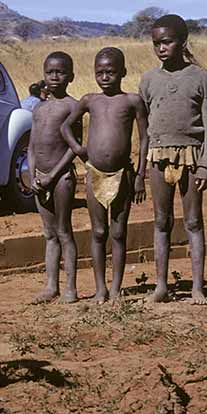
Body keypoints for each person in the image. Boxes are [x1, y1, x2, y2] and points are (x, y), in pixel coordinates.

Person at [139, 14, 207, 305]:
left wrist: (206, 164)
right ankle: (161, 286)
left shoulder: (199, 77)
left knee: (194, 222)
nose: (161, 48)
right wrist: (139, 169)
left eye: (167, 42)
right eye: (156, 43)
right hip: (158, 157)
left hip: (190, 157)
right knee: (161, 221)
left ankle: (197, 288)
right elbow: (143, 126)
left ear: (182, 42)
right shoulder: (148, 79)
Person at [61, 47, 148, 303]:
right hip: (94, 174)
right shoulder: (89, 100)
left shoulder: (133, 101)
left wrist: (141, 175)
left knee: (119, 233)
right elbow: (66, 126)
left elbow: (144, 139)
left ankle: (117, 289)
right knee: (99, 232)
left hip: (124, 175)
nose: (105, 77)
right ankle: (100, 288)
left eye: (111, 72)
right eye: (100, 73)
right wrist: (78, 149)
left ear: (123, 72)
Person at [29, 52, 82, 303]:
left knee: (63, 231)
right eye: (50, 72)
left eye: (60, 72)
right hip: (40, 178)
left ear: (70, 76)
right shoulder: (38, 108)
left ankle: (70, 289)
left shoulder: (73, 106)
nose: (54, 77)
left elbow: (75, 146)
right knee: (49, 233)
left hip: (61, 178)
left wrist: (53, 175)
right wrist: (32, 173)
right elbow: (31, 145)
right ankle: (51, 286)